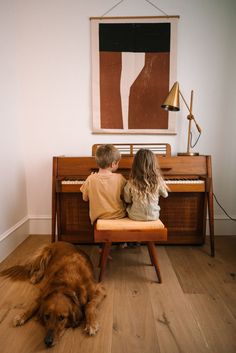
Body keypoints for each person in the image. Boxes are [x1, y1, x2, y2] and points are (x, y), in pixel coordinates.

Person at [80, 144, 126, 225]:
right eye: (118, 163)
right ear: (113, 164)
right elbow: (126, 197)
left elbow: (85, 198)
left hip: (99, 217)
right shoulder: (120, 178)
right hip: (119, 216)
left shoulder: (90, 179)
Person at [124, 148, 168, 222]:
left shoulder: (131, 182)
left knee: (128, 207)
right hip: (154, 216)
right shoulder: (158, 181)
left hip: (135, 217)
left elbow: (127, 200)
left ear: (135, 165)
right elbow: (165, 194)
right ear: (153, 165)